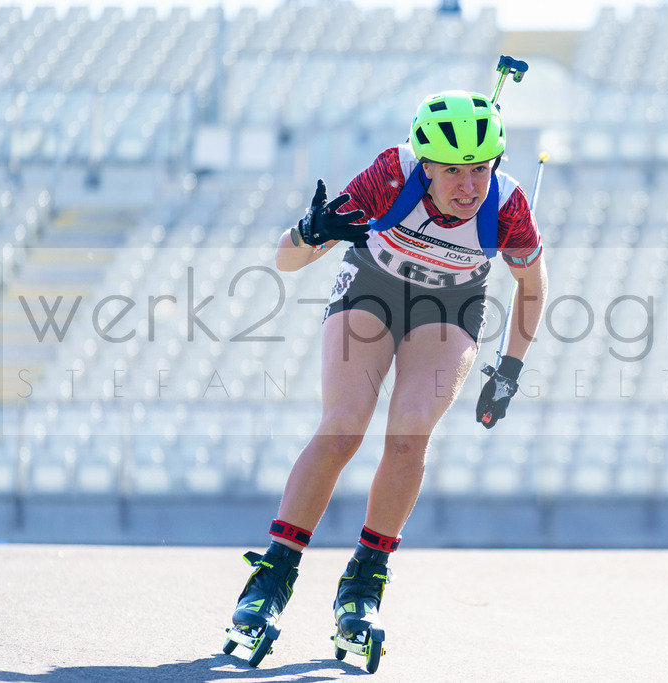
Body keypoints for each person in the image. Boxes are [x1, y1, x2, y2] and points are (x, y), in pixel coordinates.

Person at [226, 90, 547, 666]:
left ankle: (365, 581)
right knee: (344, 425)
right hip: (372, 288)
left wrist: (509, 372)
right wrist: (308, 230)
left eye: (479, 168)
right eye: (452, 171)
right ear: (424, 163)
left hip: (450, 306)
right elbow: (285, 260)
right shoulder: (387, 175)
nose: (468, 186)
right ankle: (272, 575)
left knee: (410, 431)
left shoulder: (509, 205)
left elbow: (533, 288)